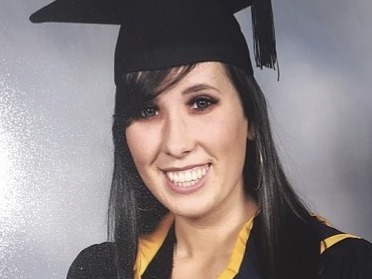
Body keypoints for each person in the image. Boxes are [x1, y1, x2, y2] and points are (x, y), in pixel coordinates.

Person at [30, 0, 372, 278]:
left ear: (250, 117)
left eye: (201, 103)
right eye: (148, 111)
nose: (176, 144)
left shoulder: (338, 266)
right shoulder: (102, 271)